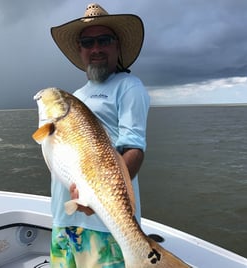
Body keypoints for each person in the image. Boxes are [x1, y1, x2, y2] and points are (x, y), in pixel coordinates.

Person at [50, 3, 150, 268]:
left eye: (104, 40)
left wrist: (100, 200)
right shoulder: (75, 98)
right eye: (88, 42)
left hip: (107, 225)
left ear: (117, 46)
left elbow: (134, 149)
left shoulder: (129, 86)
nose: (96, 49)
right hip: (64, 219)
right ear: (80, 50)